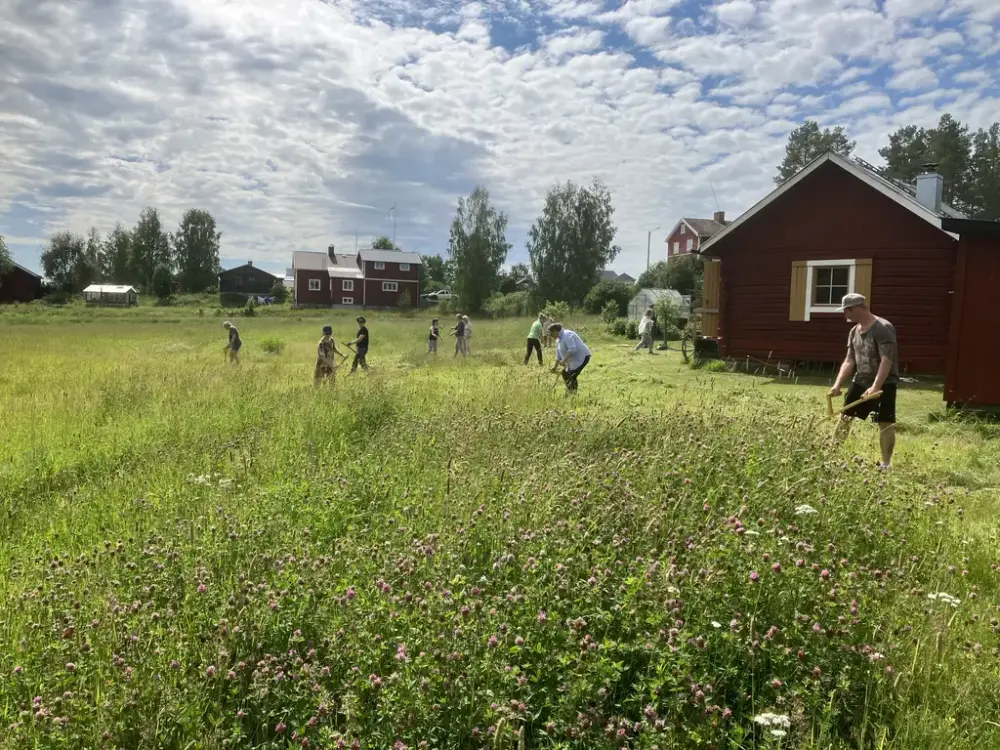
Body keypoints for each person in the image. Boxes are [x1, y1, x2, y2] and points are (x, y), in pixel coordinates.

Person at [828, 293, 899, 469]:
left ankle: (885, 464)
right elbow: (849, 360)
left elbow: (886, 360)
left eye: (847, 311)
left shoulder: (883, 328)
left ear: (855, 308)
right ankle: (831, 456)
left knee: (885, 422)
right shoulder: (854, 331)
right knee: (845, 417)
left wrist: (876, 387)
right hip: (861, 381)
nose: (846, 315)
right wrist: (838, 384)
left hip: (884, 384)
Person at [550, 322, 591, 393]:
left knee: (572, 375)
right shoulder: (558, 340)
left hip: (582, 357)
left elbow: (572, 349)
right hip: (573, 360)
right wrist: (554, 367)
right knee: (565, 374)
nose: (550, 336)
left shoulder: (567, 335)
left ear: (555, 331)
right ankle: (570, 391)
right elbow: (558, 356)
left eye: (551, 333)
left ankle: (572, 393)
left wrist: (564, 360)